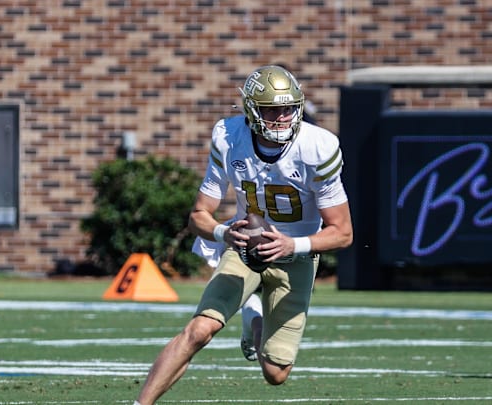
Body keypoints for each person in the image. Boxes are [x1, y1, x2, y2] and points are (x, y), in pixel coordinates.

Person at [134, 65, 353, 405]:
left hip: (296, 254)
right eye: (271, 109)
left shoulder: (318, 147)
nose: (282, 117)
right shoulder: (230, 137)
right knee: (200, 331)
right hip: (245, 249)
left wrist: (291, 244)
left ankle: (254, 320)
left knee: (275, 372)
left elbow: (342, 233)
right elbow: (198, 215)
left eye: (288, 108)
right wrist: (224, 233)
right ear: (252, 109)